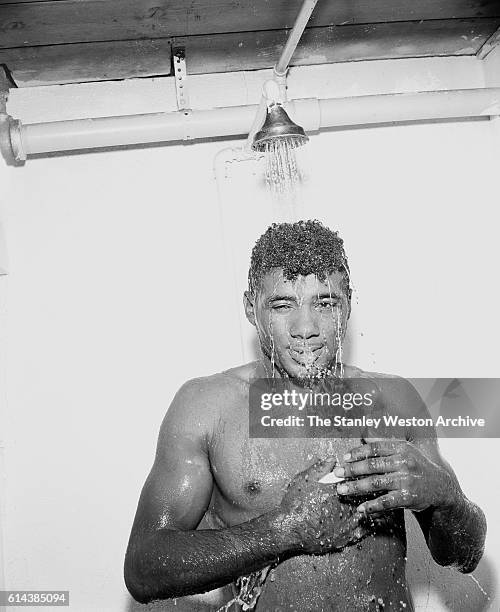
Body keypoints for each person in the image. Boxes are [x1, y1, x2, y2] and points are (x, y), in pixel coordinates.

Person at [124, 220, 486, 611]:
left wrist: (446, 498)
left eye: (325, 303)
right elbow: (144, 569)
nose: (306, 328)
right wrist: (285, 531)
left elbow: (461, 557)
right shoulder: (206, 409)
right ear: (251, 308)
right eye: (282, 305)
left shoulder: (396, 400)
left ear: (348, 304)